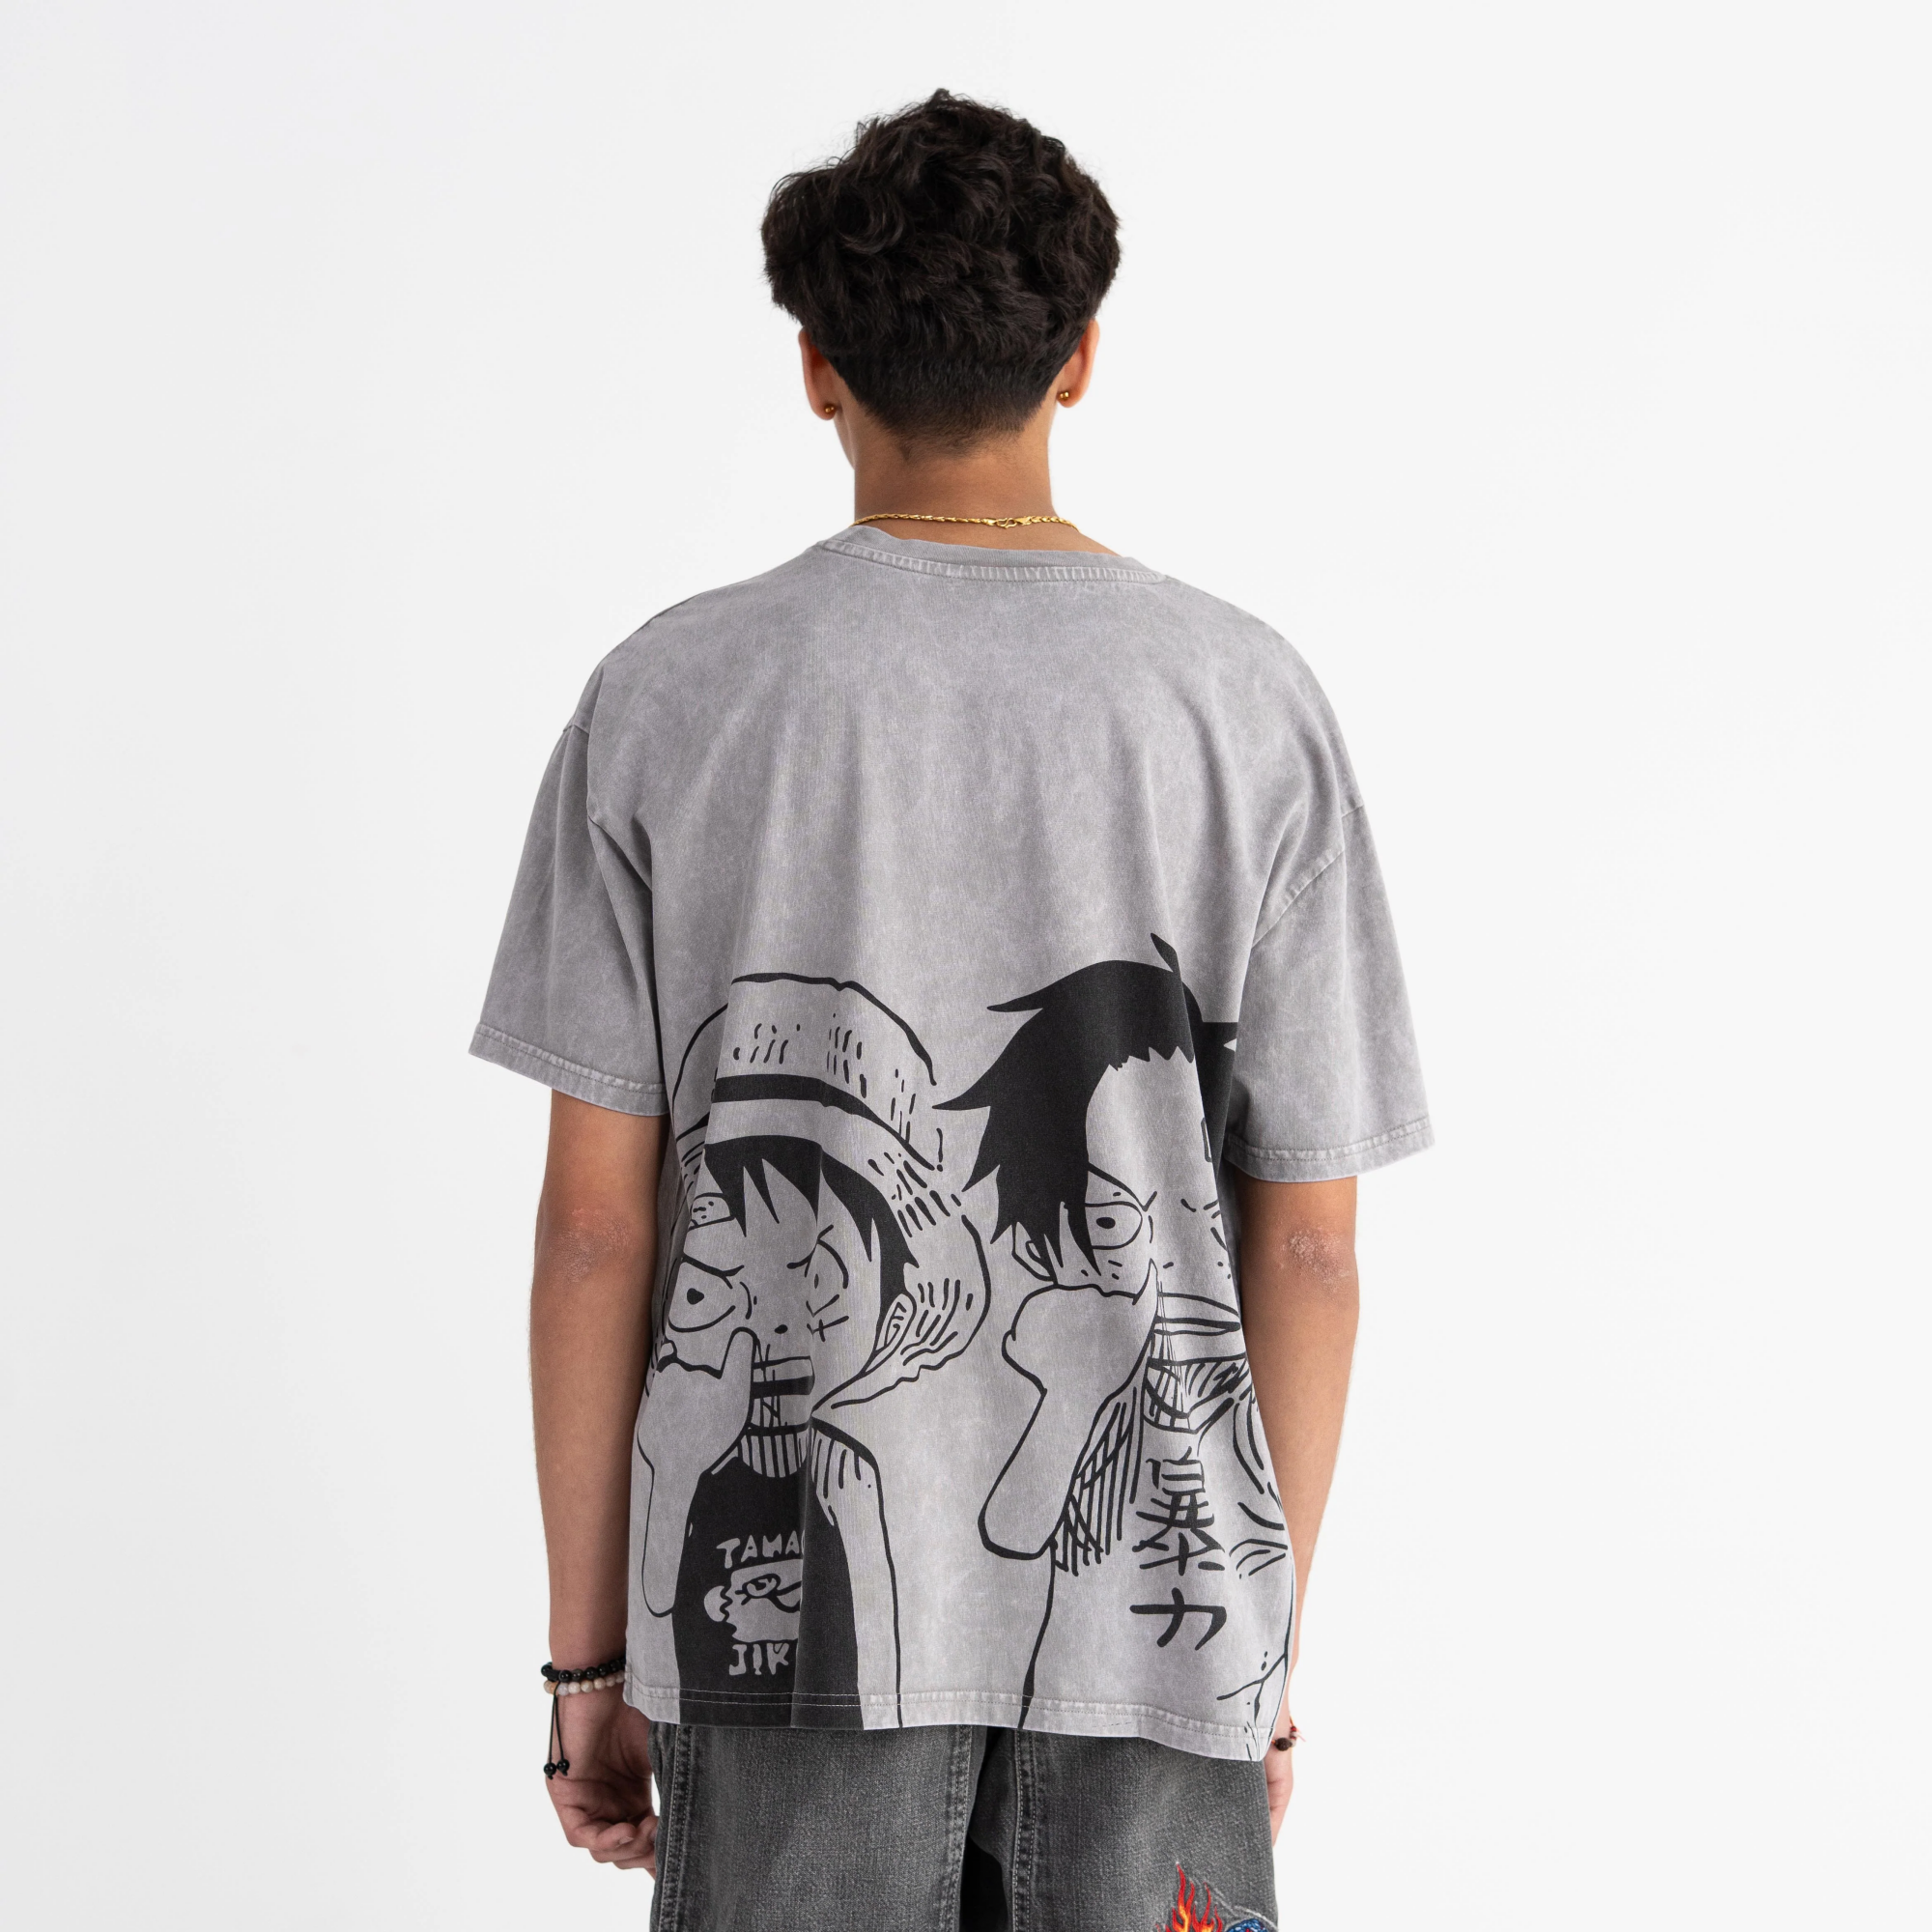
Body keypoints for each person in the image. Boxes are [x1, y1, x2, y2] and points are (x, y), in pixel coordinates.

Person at [472, 89, 1430, 1932]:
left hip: (764, 1645)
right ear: (1079, 358)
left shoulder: (668, 697)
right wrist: (1258, 1643)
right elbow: (1310, 1246)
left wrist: (588, 1664)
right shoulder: (1246, 703)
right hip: (1161, 1630)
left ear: (817, 368)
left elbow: (596, 1229)